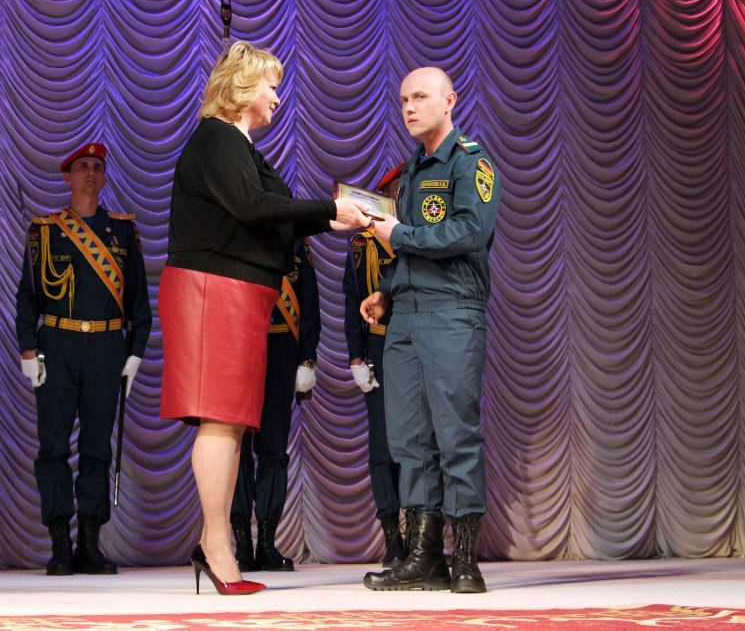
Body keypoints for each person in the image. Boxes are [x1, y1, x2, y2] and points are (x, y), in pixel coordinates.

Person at [160, 41, 371, 595]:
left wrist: (330, 218)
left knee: (230, 421)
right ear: (241, 87)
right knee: (219, 419)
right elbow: (254, 207)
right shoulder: (217, 138)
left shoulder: (239, 146)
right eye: (271, 86)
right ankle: (216, 545)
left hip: (236, 292)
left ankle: (214, 543)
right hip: (214, 290)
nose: (278, 97)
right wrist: (328, 210)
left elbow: (269, 213)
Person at [361, 67, 501, 594]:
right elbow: (413, 249)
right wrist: (386, 290)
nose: (410, 107)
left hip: (451, 313)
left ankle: (465, 559)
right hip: (406, 317)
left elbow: (469, 231)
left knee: (455, 435)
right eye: (403, 100)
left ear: (450, 101)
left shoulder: (471, 161)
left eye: (420, 97)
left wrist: (399, 234)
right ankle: (424, 557)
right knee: (409, 440)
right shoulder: (414, 168)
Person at [15, 142, 152, 576]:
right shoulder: (44, 231)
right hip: (57, 345)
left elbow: (139, 301)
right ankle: (60, 542)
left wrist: (135, 353)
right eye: (82, 167)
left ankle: (90, 542)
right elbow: (27, 297)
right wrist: (28, 348)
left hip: (107, 348)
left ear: (104, 177)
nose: (90, 173)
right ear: (67, 177)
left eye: (96, 167)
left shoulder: (123, 232)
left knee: (96, 447)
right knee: (53, 447)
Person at [231, 238, 320, 573]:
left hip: (281, 349)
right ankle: (242, 543)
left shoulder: (295, 246)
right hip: (239, 349)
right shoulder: (234, 237)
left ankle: (267, 542)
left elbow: (310, 304)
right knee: (235, 449)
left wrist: (307, 359)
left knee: (273, 451)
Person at [342, 163, 405, 570]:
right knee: (383, 447)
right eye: (396, 191)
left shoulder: (417, 237)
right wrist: (356, 355)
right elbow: (353, 300)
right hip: (380, 347)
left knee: (420, 446)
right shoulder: (362, 244)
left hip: (417, 345)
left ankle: (422, 532)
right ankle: (393, 537)